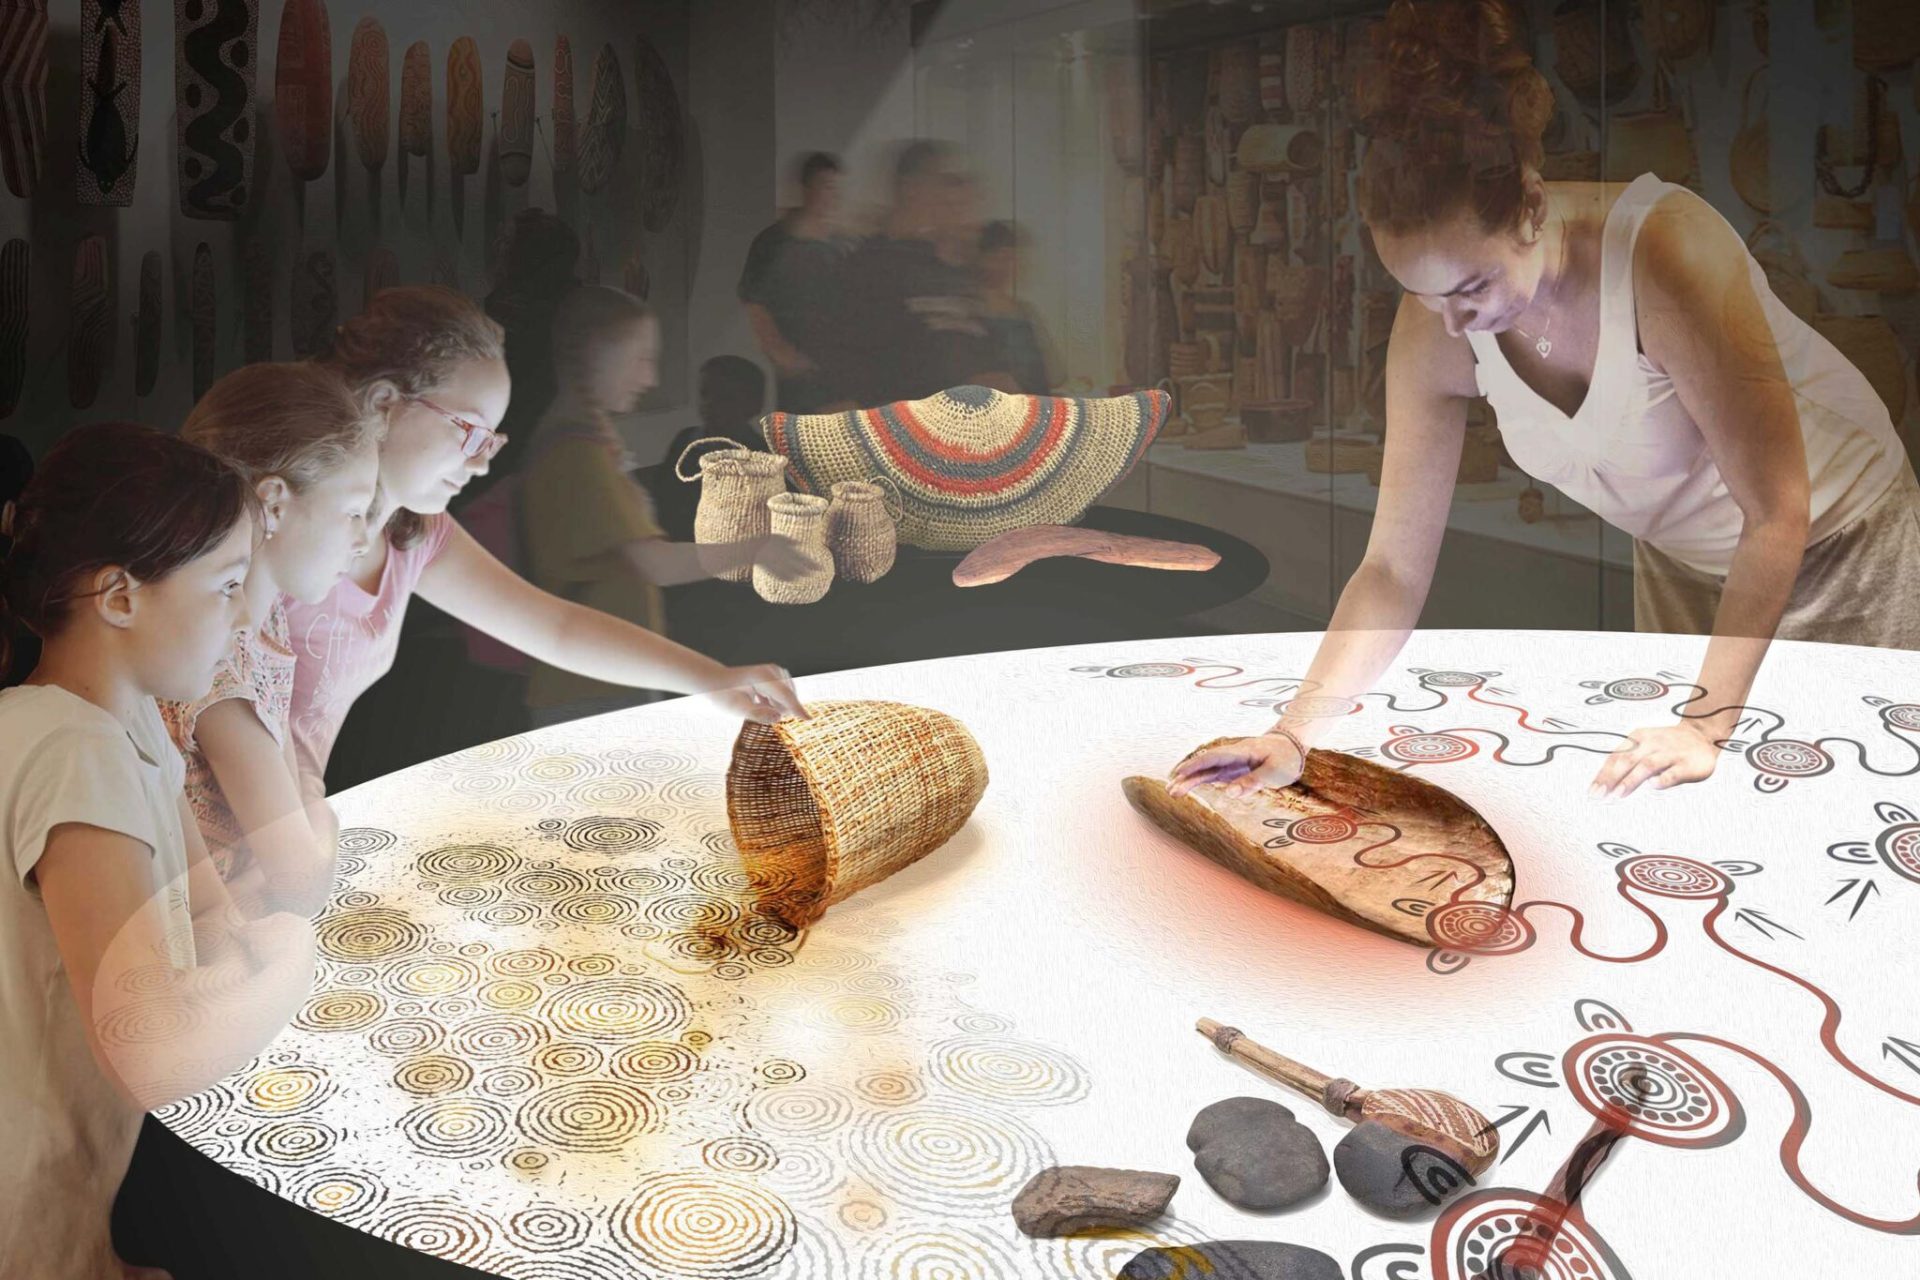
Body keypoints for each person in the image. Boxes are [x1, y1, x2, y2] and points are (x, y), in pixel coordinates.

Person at [1171, 0, 1920, 805]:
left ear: (1531, 207)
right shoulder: (1438, 315)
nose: (1453, 321)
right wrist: (1293, 730)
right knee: (1689, 804)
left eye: (1472, 286)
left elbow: (1778, 511)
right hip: (1681, 556)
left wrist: (1705, 726)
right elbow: (1390, 567)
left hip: (1842, 543)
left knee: (1847, 796)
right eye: (1422, 295)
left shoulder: (1667, 252)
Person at [0, 423, 316, 1280]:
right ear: (120, 597)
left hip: (88, 1184)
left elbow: (208, 908)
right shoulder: (74, 750)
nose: (247, 614)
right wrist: (289, 962)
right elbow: (150, 1045)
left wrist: (237, 958)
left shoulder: (128, 722)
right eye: (227, 585)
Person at [298, 286, 802, 797]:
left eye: (492, 441)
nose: (481, 463)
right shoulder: (282, 525)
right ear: (385, 403)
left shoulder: (417, 534)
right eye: (469, 432)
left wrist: (713, 678)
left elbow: (555, 627)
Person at [520, 288, 807, 726]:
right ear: (596, 353)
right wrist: (757, 549)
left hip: (616, 671)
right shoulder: (575, 452)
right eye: (639, 358)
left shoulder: (588, 441)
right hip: (592, 686)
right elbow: (656, 564)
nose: (650, 378)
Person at [162, 364, 382, 917]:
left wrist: (309, 815)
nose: (362, 540)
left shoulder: (268, 625)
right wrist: (321, 814)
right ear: (276, 503)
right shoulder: (212, 663)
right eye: (354, 512)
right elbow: (302, 879)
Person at [840, 140, 1015, 406]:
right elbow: (873, 364)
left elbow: (985, 352)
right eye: (943, 182)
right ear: (911, 189)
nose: (951, 196)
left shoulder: (952, 275)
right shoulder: (870, 265)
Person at [474, 208, 583, 492]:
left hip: (517, 466)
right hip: (549, 461)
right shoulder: (576, 313)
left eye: (505, 243)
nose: (495, 251)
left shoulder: (512, 319)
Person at [740, 152, 850, 413]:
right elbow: (754, 301)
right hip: (800, 373)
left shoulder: (840, 244)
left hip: (839, 369)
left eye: (837, 189)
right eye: (826, 187)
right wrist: (780, 352)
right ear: (807, 189)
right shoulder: (775, 242)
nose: (833, 197)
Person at [651, 355, 771, 544]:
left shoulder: (762, 457)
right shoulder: (685, 440)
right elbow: (663, 497)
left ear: (753, 405)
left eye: (726, 398)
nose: (710, 404)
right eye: (705, 394)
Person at [977, 221, 1057, 395]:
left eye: (1009, 259)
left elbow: (1055, 374)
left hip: (1034, 407)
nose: (1004, 266)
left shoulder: (1025, 311)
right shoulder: (968, 312)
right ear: (981, 259)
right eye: (997, 258)